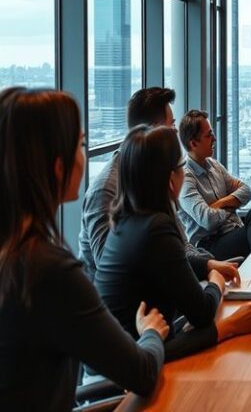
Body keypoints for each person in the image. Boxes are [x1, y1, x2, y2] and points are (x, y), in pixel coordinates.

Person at [0, 88, 168, 411]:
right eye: (80, 144)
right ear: (58, 166)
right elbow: (142, 372)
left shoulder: (14, 254)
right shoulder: (48, 269)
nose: (85, 154)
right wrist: (151, 332)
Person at [96, 125, 251, 362]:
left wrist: (208, 265)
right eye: (181, 166)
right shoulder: (156, 226)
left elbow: (172, 260)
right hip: (138, 367)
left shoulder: (127, 220)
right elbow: (202, 314)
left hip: (132, 352)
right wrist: (219, 290)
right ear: (171, 179)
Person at [79, 87, 213, 281]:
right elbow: (110, 269)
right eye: (172, 126)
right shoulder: (106, 187)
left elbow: (181, 242)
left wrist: (206, 263)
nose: (176, 133)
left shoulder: (154, 175)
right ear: (151, 132)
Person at [178, 110, 251, 260]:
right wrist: (232, 204)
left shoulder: (214, 165)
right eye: (208, 135)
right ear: (193, 143)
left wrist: (220, 203)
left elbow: (246, 191)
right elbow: (208, 221)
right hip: (210, 245)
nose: (214, 138)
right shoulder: (186, 179)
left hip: (232, 231)